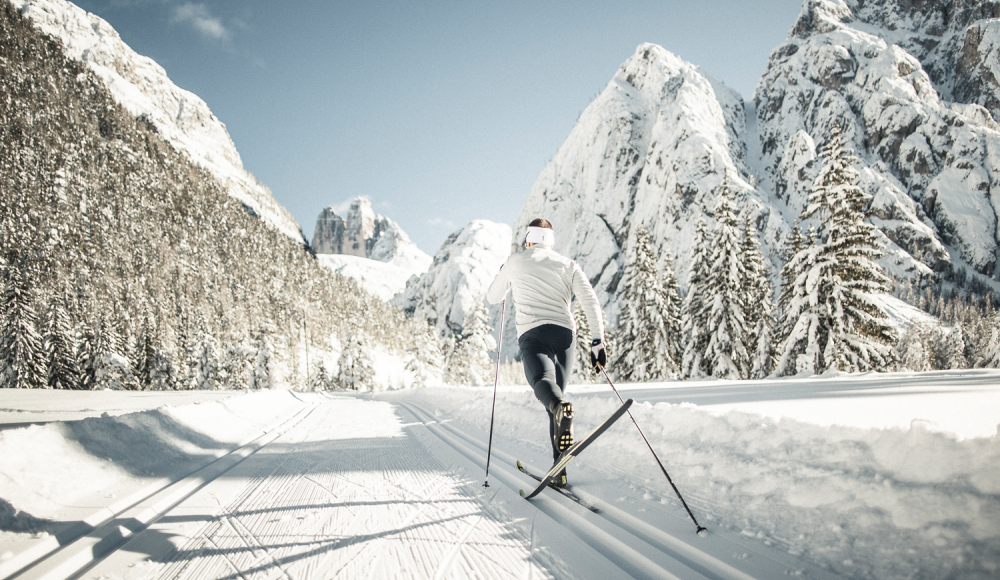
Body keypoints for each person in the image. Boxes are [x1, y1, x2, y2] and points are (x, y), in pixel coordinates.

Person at [486, 218, 607, 487]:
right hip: (565, 336)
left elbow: (493, 297)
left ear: (528, 239)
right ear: (551, 241)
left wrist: (504, 272)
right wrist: (598, 342)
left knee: (545, 388)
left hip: (534, 335)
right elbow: (589, 300)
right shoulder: (568, 264)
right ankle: (559, 468)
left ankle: (559, 462)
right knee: (557, 401)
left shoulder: (515, 261)